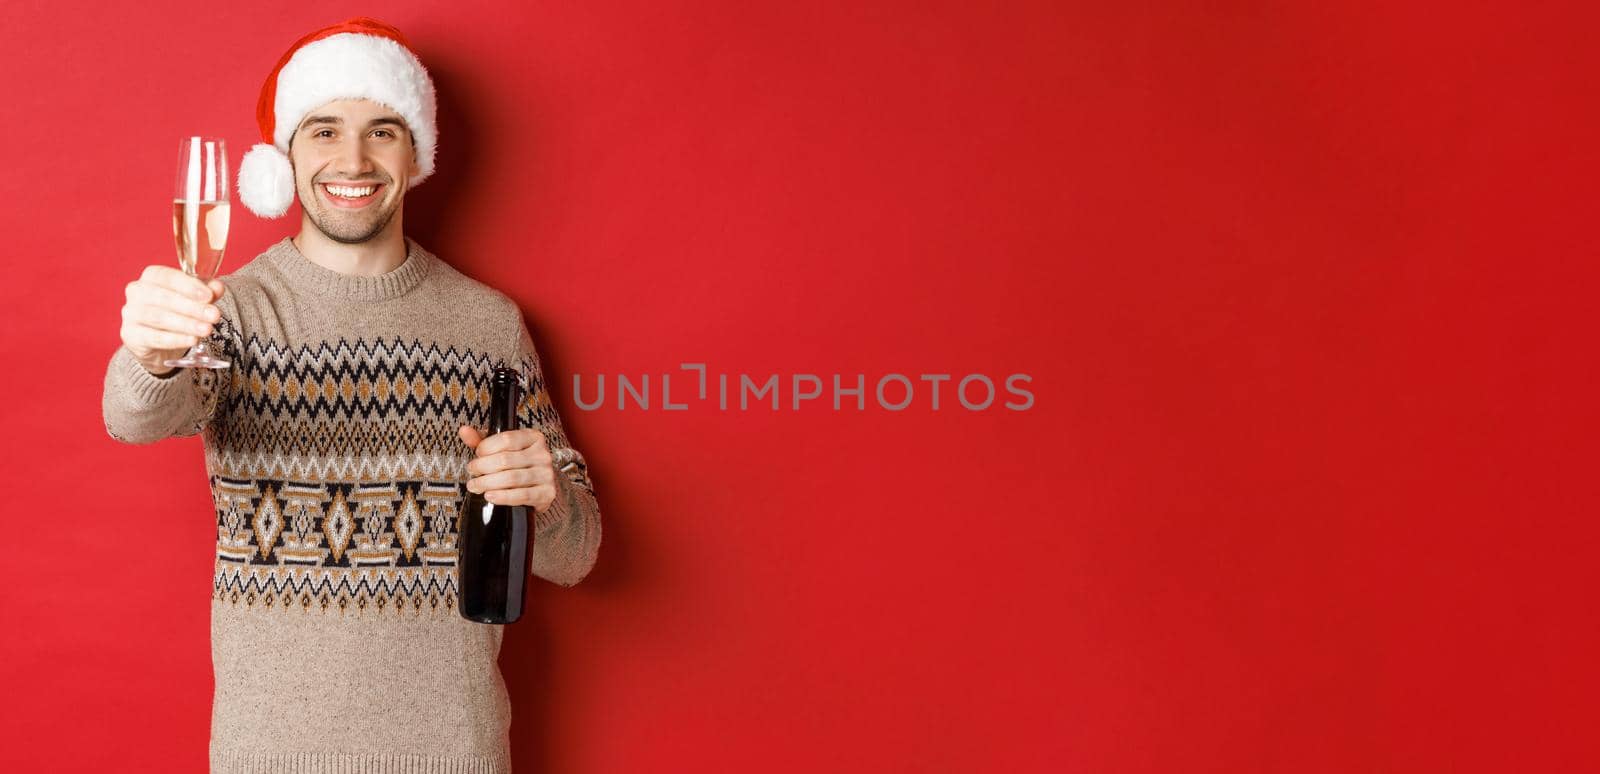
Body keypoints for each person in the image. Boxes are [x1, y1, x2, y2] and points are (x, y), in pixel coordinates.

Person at [100, 17, 602, 774]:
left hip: (454, 751)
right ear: (286, 158)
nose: (353, 159)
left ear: (417, 154)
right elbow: (133, 415)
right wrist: (149, 353)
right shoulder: (230, 311)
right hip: (269, 754)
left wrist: (552, 498)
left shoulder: (488, 325)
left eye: (384, 131)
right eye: (324, 130)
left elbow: (579, 554)